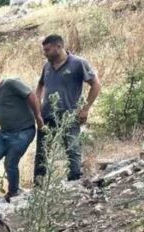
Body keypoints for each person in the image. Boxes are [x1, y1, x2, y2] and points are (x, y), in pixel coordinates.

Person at [34, 34, 102, 183]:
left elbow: (96, 85)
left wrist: (85, 109)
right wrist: (37, 105)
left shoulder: (78, 63)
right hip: (47, 115)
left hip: (69, 115)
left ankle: (74, 182)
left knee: (72, 149)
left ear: (59, 47)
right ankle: (38, 185)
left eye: (47, 50)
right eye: (44, 50)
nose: (45, 53)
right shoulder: (46, 66)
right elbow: (40, 85)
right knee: (42, 152)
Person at [0, 72, 44, 202]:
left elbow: (31, 95)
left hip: (23, 132)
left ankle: (13, 191)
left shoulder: (11, 83)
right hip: (3, 134)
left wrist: (38, 116)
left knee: (10, 163)